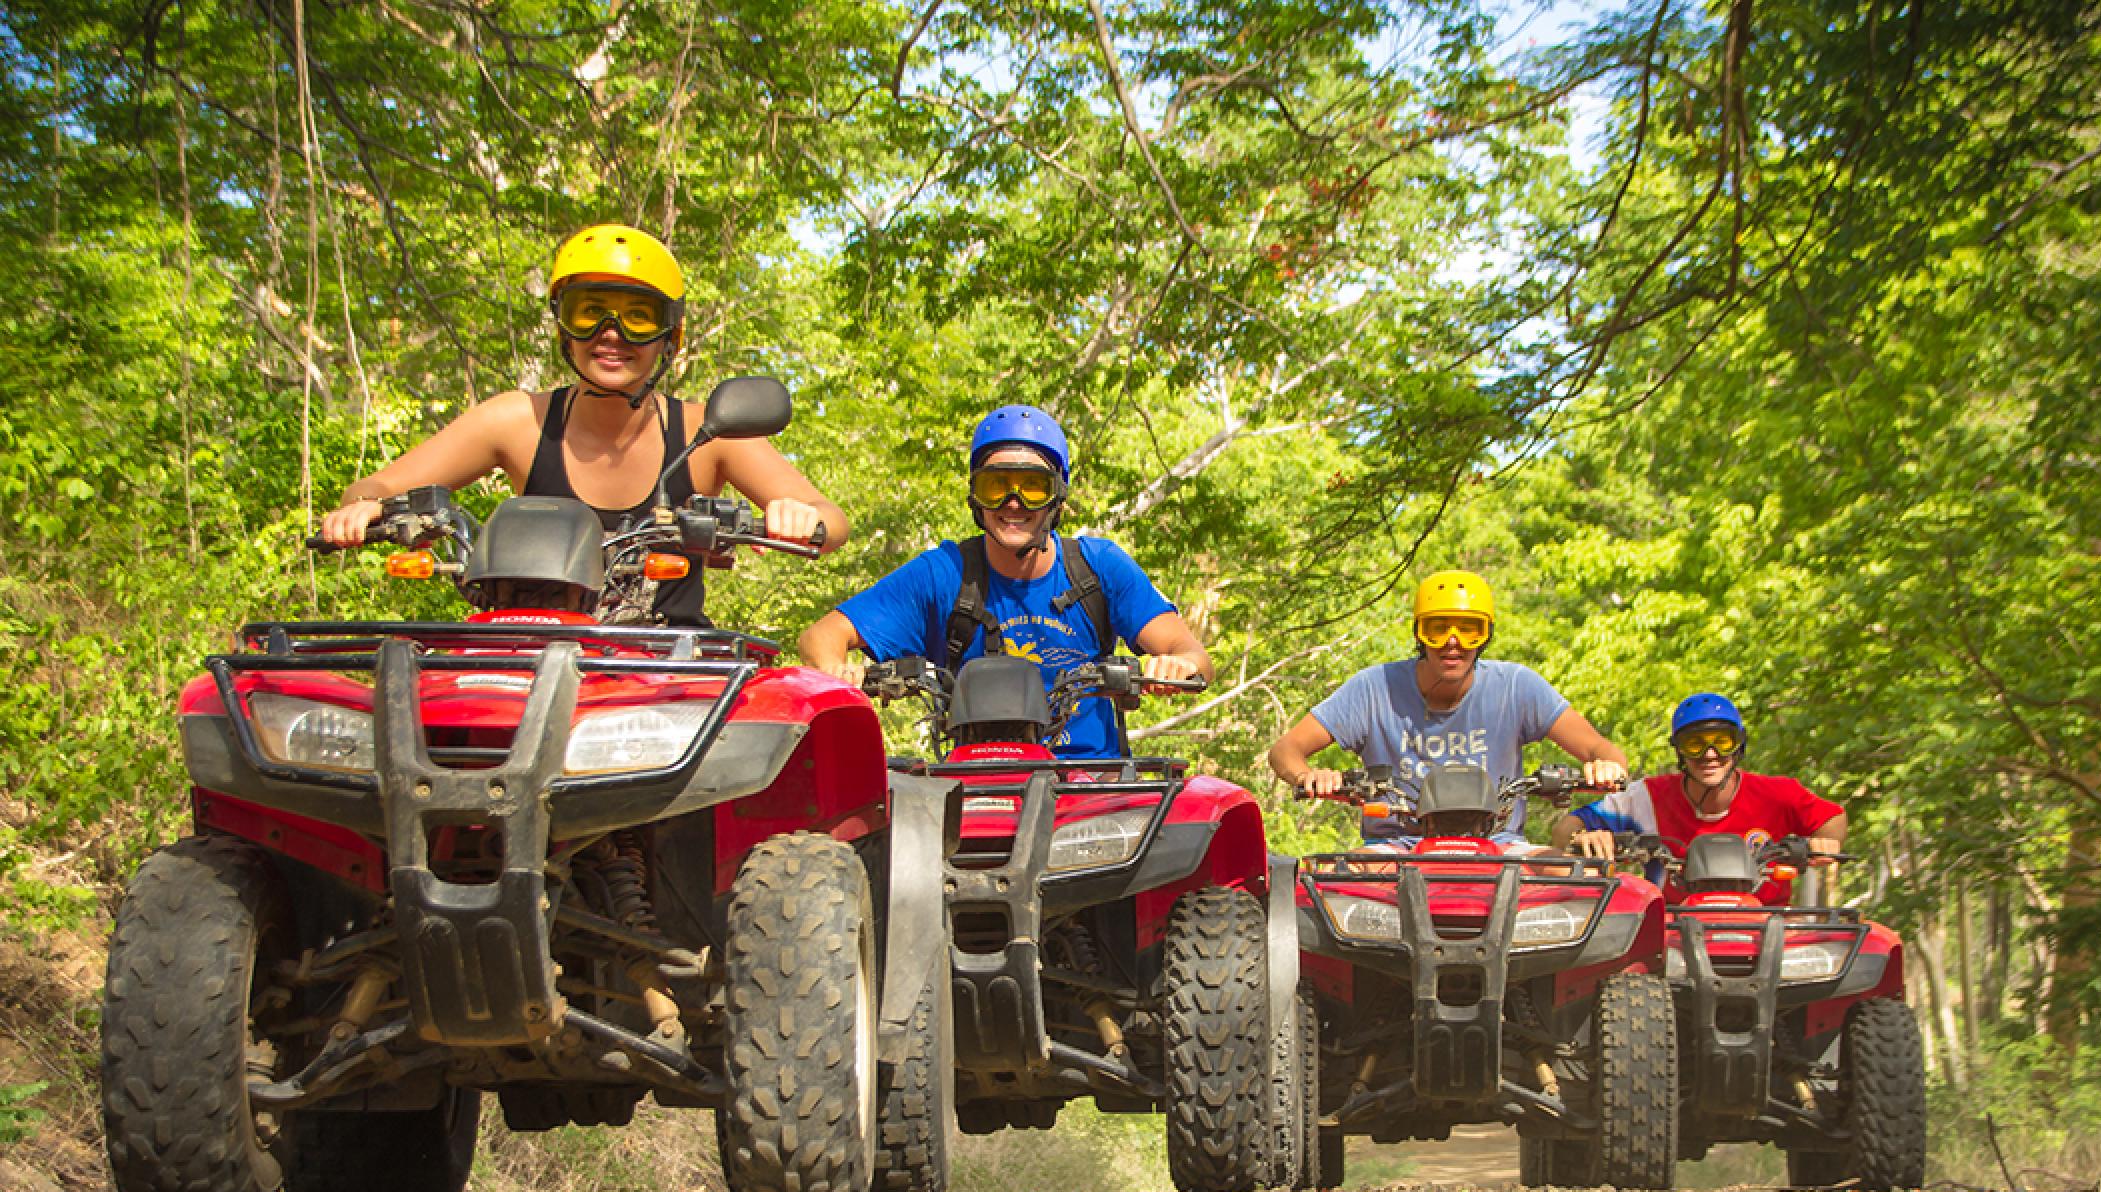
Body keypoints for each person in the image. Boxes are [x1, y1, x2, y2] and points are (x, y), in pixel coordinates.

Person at [316, 224, 847, 627]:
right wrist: (365, 507)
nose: (610, 334)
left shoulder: (706, 434)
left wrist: (795, 514)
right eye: (588, 311)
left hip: (672, 677)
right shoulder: (516, 421)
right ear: (564, 329)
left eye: (636, 316)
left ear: (669, 337)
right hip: (521, 653)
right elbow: (378, 486)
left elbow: (833, 522)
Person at [796, 405, 1213, 758]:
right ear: (975, 496)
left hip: (1090, 786)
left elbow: (1194, 655)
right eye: (996, 486)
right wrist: (837, 671)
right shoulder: (943, 574)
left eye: (1032, 487)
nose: (1013, 503)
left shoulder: (1099, 567)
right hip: (976, 780)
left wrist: (1177, 665)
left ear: (1057, 496)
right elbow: (822, 635)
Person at [1267, 571, 1628, 849]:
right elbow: (1286, 751)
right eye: (1437, 629)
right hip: (1395, 846)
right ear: (1419, 633)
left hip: (1500, 845)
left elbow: (1603, 750)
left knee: (1579, 884)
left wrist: (1605, 766)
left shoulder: (1516, 687)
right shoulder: (1373, 689)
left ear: (1485, 635)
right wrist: (1308, 777)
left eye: (1468, 630)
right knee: (1323, 892)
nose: (1452, 643)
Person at [1555, 692, 1847, 904]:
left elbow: (1833, 817)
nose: (1710, 755)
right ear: (1679, 751)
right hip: (1673, 928)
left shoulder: (1777, 794)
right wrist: (1583, 837)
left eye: (1722, 742)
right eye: (1694, 744)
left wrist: (1825, 843)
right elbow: (1564, 829)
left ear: (1739, 746)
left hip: (1768, 923)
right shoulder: (1647, 798)